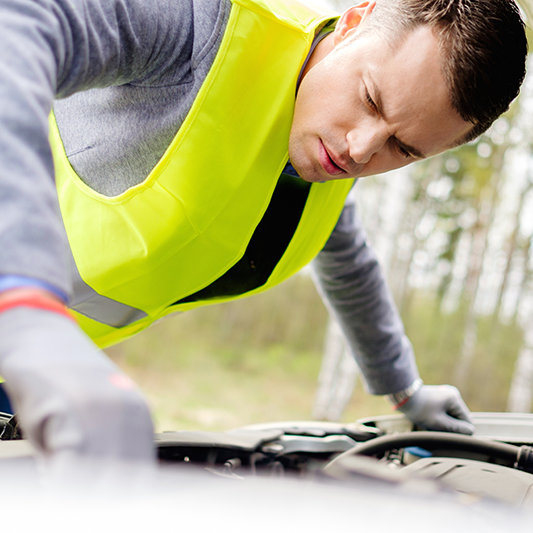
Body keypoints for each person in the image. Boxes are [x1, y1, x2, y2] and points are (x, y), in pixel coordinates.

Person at [0, 0, 527, 465]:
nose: (362, 149)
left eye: (403, 149)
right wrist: (24, 306)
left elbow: (346, 260)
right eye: (370, 99)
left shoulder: (319, 160)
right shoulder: (200, 27)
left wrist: (404, 390)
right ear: (353, 21)